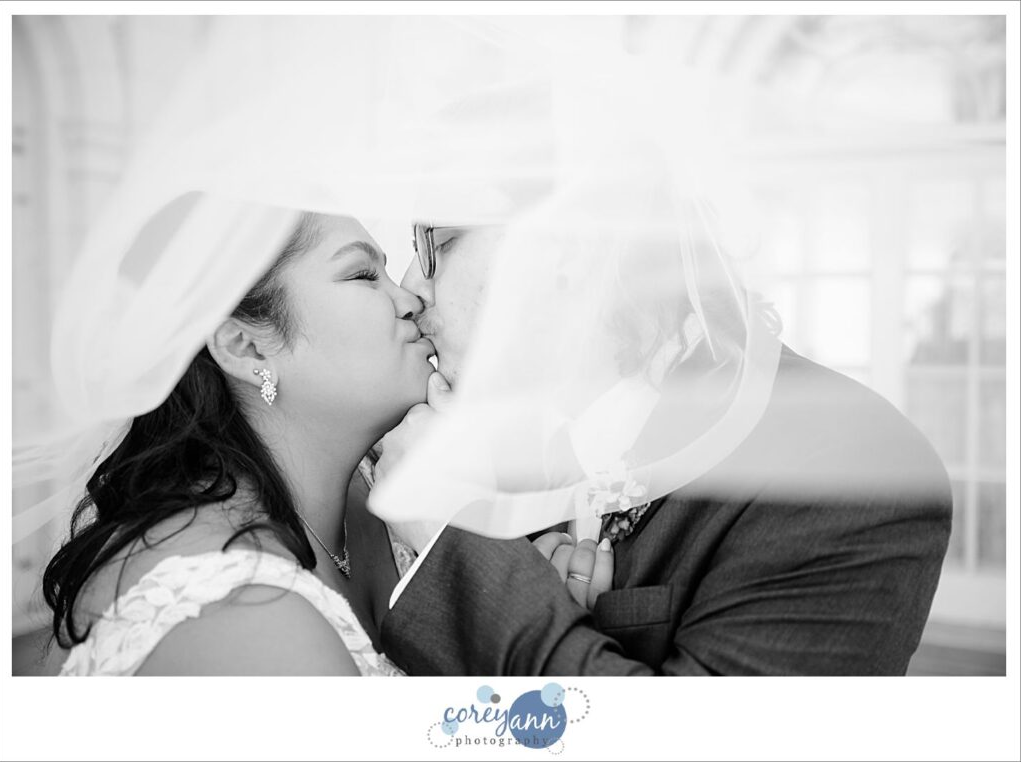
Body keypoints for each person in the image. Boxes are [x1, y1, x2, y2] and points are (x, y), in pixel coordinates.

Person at [368, 222, 954, 676]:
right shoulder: (507, 446)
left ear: (563, 242)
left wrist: (448, 535)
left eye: (433, 244)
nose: (414, 290)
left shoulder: (847, 468)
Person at [42, 211, 436, 676]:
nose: (410, 299)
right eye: (364, 275)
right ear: (246, 348)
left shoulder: (394, 476)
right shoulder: (235, 613)